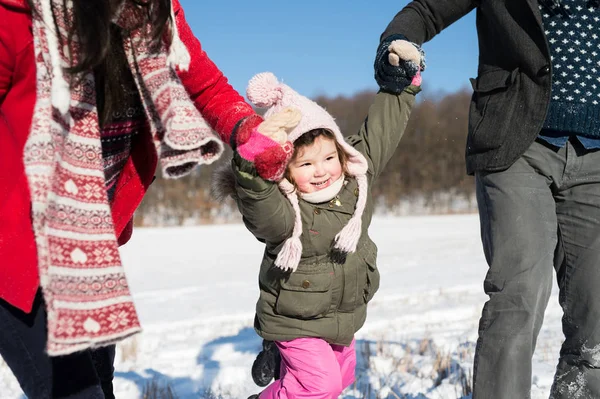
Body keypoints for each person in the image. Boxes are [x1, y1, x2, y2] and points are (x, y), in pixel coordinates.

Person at [0, 0, 264, 397]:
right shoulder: (19, 16)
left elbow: (203, 84)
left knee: (101, 385)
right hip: (15, 251)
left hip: (87, 251)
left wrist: (258, 136)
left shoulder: (156, 12)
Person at [375, 0, 600, 398]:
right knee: (519, 293)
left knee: (596, 314)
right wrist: (399, 42)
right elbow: (426, 11)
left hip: (596, 158)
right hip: (517, 142)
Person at [214, 52, 421, 397]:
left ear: (341, 152)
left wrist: (400, 89)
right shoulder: (284, 210)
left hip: (341, 315)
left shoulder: (356, 182)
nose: (321, 170)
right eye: (306, 164)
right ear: (285, 171)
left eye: (328, 158)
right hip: (294, 320)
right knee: (319, 387)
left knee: (338, 381)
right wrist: (252, 166)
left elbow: (379, 133)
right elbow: (259, 202)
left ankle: (278, 378)